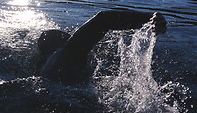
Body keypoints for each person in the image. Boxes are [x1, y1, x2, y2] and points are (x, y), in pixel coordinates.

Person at [36, 10, 167, 85]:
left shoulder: (45, 69)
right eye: (68, 38)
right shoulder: (66, 54)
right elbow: (103, 19)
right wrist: (150, 19)